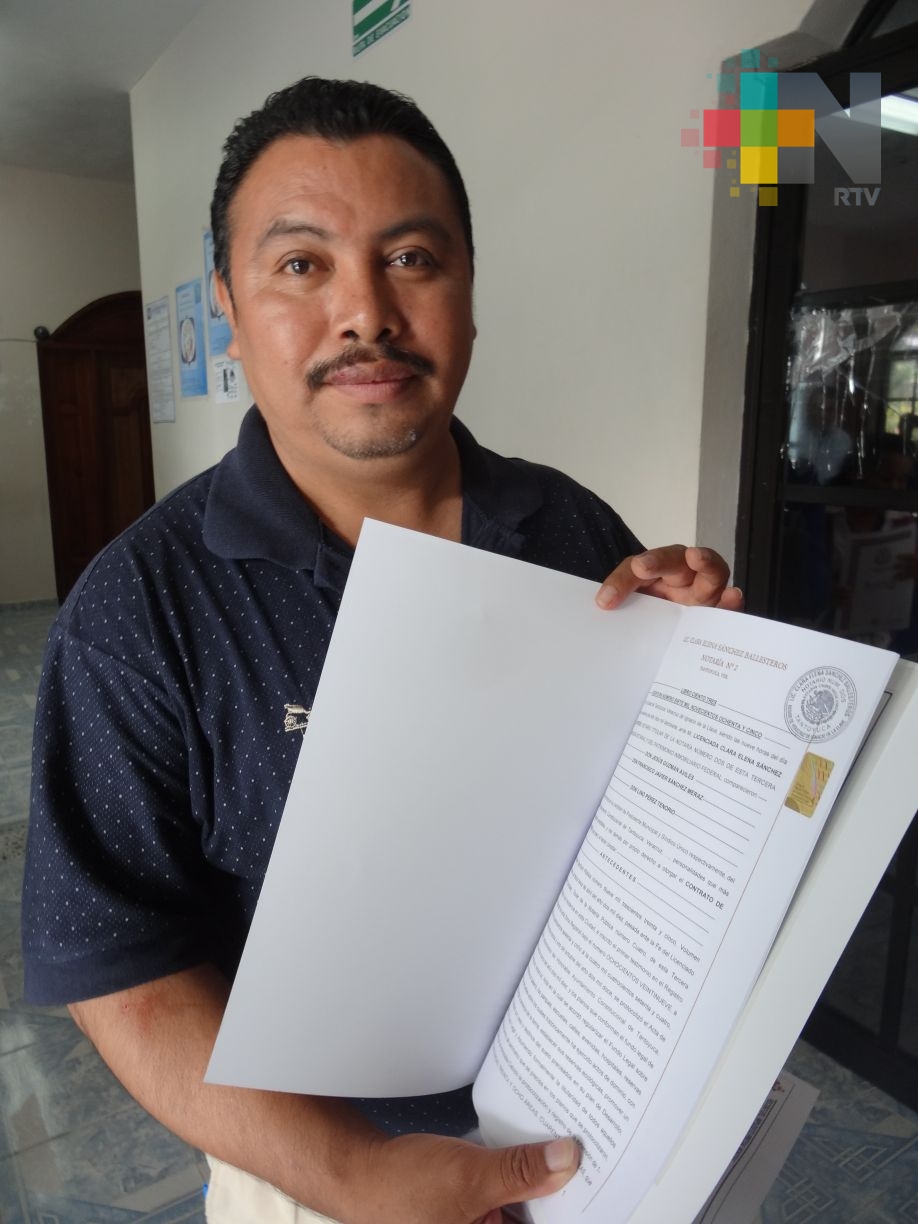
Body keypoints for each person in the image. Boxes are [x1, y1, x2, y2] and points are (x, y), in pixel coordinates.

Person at [21, 77, 742, 1224]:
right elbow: (120, 968)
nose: (365, 312)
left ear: (468, 291)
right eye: (302, 264)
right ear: (229, 308)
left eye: (411, 258)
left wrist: (711, 682)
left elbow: (647, 839)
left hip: (593, 1124)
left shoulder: (572, 530)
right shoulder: (138, 611)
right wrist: (352, 1177)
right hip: (318, 1171)